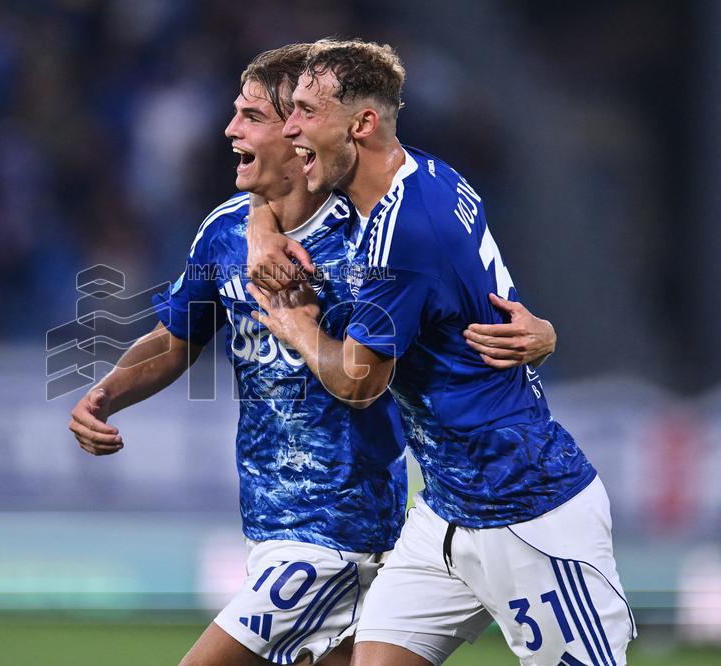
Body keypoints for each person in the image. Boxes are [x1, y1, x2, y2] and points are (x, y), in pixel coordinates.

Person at [69, 44, 554, 666]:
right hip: (269, 525)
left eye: (252, 116)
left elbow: (461, 308)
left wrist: (543, 333)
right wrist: (106, 392)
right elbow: (176, 337)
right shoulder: (225, 231)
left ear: (298, 138)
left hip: (342, 529)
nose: (230, 129)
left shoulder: (368, 237)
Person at [246, 39, 635, 666]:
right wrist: (262, 229)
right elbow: (271, 188)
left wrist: (294, 325)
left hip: (526, 509)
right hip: (447, 511)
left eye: (307, 112)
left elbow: (358, 383)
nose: (290, 129)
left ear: (361, 123)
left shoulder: (404, 233)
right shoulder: (419, 176)